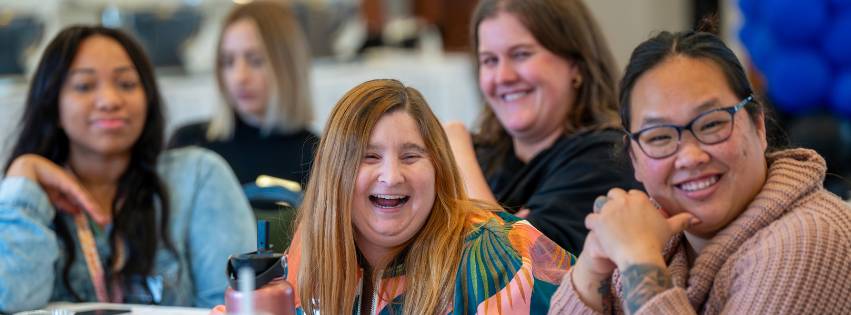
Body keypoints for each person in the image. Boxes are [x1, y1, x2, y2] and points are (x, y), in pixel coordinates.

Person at [549, 31, 851, 314]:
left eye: (712, 124)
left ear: (759, 127)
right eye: (660, 137)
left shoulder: (812, 239)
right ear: (634, 159)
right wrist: (591, 267)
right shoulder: (655, 236)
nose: (690, 157)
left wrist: (639, 260)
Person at [0, 26, 255, 313]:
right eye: (84, 86)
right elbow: (11, 300)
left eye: (126, 84)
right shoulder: (23, 196)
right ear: (52, 103)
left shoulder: (198, 178)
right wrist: (24, 173)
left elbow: (237, 306)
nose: (110, 100)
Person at [265, 79, 572, 314]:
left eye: (411, 156)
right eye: (369, 157)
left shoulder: (495, 253)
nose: (392, 176)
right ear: (334, 173)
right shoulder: (314, 244)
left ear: (438, 168)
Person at [445, 0, 641, 253]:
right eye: (490, 60)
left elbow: (510, 264)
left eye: (521, 54)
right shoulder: (483, 155)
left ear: (575, 64)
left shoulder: (609, 156)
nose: (503, 76)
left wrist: (457, 153)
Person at [169, 1, 318, 186]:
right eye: (228, 61)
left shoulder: (317, 154)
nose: (239, 77)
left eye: (255, 61)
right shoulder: (190, 144)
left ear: (288, 66)